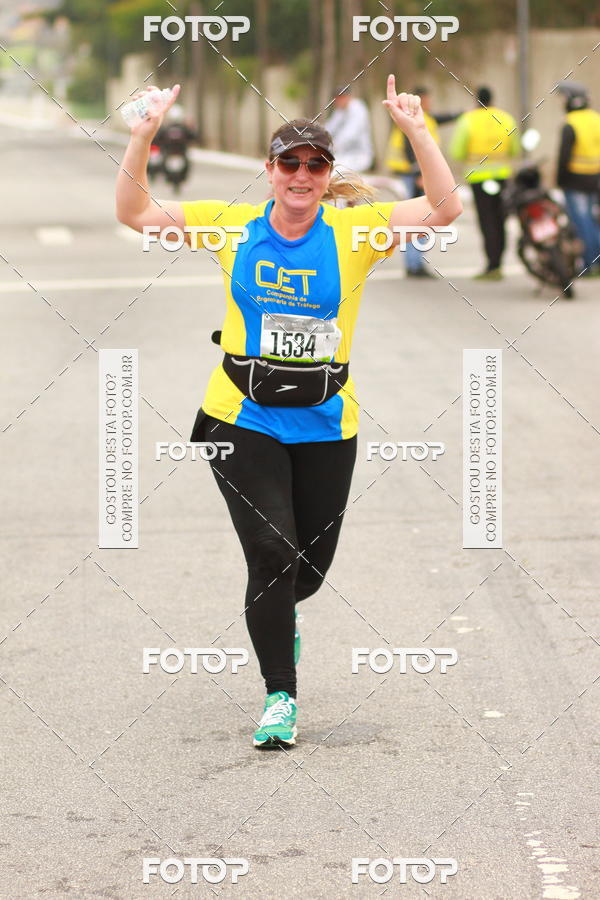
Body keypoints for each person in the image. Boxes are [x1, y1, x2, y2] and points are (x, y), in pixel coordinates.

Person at [116, 76, 462, 749]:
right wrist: (143, 131)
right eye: (289, 163)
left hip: (328, 421)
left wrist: (417, 129)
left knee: (309, 568)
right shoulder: (231, 225)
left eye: (315, 165)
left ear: (328, 175)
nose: (301, 175)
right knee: (272, 553)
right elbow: (135, 213)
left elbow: (444, 211)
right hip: (239, 416)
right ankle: (280, 695)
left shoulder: (356, 230)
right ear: (268, 171)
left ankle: (279, 616)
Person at [385, 85, 461, 277]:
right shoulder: (409, 117)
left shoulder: (425, 117)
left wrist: (463, 113)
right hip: (411, 175)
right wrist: (419, 173)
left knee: (423, 218)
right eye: (427, 99)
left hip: (413, 174)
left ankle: (415, 263)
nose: (429, 102)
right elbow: (411, 147)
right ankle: (414, 264)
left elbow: (442, 118)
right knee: (419, 218)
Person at [450, 86, 520, 280]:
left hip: (479, 178)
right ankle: (499, 262)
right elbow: (515, 149)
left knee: (486, 220)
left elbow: (457, 151)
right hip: (501, 176)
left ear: (476, 100)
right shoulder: (506, 118)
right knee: (500, 219)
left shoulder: (467, 120)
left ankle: (491, 265)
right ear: (493, 99)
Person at [556, 89, 600, 275]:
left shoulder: (571, 123)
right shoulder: (596, 118)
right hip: (595, 177)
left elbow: (564, 156)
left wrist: (559, 178)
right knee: (591, 219)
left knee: (581, 222)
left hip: (575, 179)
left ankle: (590, 264)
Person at [325, 83, 374, 176]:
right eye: (336, 98)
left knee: (333, 170)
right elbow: (329, 128)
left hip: (359, 156)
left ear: (348, 97)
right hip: (343, 154)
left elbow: (349, 135)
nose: (338, 100)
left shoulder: (358, 108)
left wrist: (330, 147)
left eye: (341, 97)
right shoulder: (340, 111)